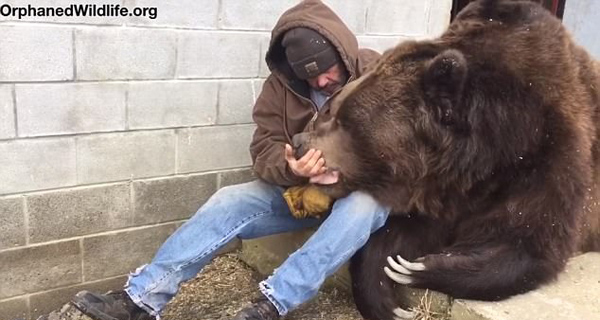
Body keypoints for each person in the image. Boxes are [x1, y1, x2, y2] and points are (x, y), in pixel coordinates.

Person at [70, 1, 386, 319]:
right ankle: (141, 299)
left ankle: (273, 304)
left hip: (364, 193)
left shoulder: (382, 76)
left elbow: (410, 147)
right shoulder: (279, 89)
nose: (319, 82)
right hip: (303, 195)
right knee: (230, 199)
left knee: (364, 205)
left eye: (325, 70)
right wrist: (290, 166)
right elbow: (264, 149)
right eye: (309, 76)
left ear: (343, 53)